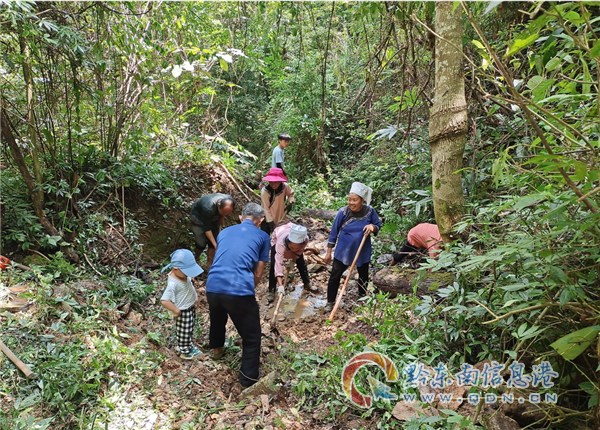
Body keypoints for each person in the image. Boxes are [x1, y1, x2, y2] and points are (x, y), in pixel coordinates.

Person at [205, 203, 270, 388]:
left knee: (218, 318)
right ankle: (248, 380)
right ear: (261, 221)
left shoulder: (224, 232)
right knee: (252, 337)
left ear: (241, 218)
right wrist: (248, 290)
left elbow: (223, 257)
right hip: (239, 289)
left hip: (213, 285)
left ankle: (217, 351)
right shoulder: (263, 237)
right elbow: (258, 272)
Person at [324, 182, 381, 312]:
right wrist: (328, 252)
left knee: (363, 275)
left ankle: (362, 297)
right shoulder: (343, 212)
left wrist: (372, 227)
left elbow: (378, 225)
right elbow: (333, 233)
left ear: (362, 200)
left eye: (354, 200)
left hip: (362, 250)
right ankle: (330, 302)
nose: (351, 203)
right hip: (343, 251)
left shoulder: (370, 211)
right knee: (335, 276)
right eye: (349, 199)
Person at [160, 249, 204, 360]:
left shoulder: (183, 275)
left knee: (190, 327)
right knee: (184, 331)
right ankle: (185, 350)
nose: (188, 274)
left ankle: (188, 345)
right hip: (183, 310)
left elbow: (189, 283)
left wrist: (195, 297)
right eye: (187, 272)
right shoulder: (173, 283)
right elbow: (164, 300)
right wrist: (176, 310)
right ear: (176, 269)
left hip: (190, 306)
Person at [268, 223, 317, 302]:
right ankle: (271, 290)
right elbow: (278, 263)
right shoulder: (280, 243)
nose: (293, 249)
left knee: (301, 263)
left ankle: (307, 283)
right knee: (274, 265)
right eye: (291, 247)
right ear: (288, 242)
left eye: (296, 247)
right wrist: (280, 285)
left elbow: (299, 252)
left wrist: (293, 261)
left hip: (291, 233)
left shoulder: (305, 239)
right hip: (278, 237)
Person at [189, 193, 235, 270]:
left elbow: (224, 211)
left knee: (212, 244)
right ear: (218, 206)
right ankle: (194, 261)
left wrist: (222, 216)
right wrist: (216, 245)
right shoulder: (208, 208)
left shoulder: (229, 200)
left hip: (213, 219)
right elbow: (207, 229)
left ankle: (209, 266)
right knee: (201, 244)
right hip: (198, 218)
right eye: (223, 212)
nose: (226, 214)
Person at [260, 168, 295, 235]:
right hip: (267, 218)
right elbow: (265, 208)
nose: (273, 184)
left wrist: (291, 202)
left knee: (281, 235)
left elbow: (291, 194)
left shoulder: (285, 187)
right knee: (266, 236)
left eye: (275, 182)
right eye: (271, 182)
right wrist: (270, 221)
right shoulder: (265, 192)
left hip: (281, 216)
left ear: (280, 181)